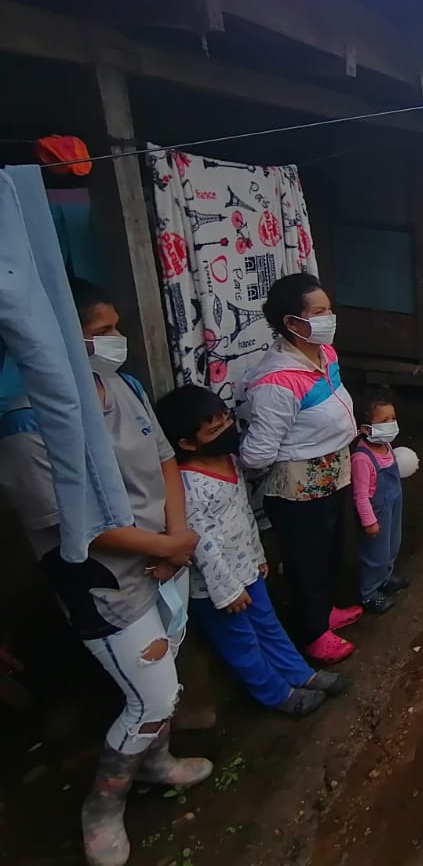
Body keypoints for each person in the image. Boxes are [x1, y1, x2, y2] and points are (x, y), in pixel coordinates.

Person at [0, 278, 211, 866]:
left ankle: (157, 765)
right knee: (153, 696)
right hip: (106, 585)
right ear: (55, 340)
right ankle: (103, 807)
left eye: (115, 328)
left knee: (167, 668)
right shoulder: (26, 423)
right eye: (101, 332)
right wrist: (169, 545)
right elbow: (79, 526)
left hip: (167, 556)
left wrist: (175, 537)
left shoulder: (123, 383)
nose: (116, 341)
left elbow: (166, 460)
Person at [155, 384, 351, 716]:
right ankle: (278, 695)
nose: (227, 430)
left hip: (248, 569)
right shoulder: (187, 485)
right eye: (214, 429)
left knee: (268, 626)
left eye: (226, 421)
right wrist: (228, 591)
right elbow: (201, 543)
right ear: (187, 443)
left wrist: (259, 557)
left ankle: (301, 675)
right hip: (215, 589)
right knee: (242, 644)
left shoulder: (228, 461)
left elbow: (246, 514)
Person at [240, 273, 363, 666]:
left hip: (333, 471)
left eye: (329, 309)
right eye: (319, 312)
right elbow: (258, 454)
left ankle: (324, 612)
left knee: (329, 550)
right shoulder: (275, 382)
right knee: (305, 560)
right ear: (292, 323)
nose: (330, 318)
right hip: (298, 486)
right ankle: (312, 634)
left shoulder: (325, 355)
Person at [352, 392, 409, 613]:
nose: (391, 424)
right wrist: (369, 521)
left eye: (392, 418)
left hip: (393, 506)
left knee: (391, 546)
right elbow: (361, 495)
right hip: (376, 512)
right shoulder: (362, 458)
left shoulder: (387, 448)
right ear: (366, 428)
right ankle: (369, 593)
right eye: (384, 421)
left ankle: (385, 577)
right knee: (374, 554)